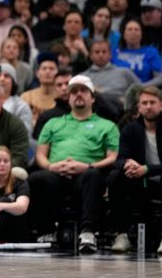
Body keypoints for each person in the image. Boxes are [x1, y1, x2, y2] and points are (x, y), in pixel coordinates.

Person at [28, 75, 119, 253]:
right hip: (57, 174)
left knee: (93, 176)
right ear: (68, 98)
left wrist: (88, 166)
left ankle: (88, 232)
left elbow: (113, 157)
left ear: (92, 98)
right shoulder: (53, 123)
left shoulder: (107, 126)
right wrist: (51, 166)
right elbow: (40, 155)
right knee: (37, 178)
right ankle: (46, 231)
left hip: (87, 175)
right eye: (74, 92)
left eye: (83, 91)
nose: (78, 95)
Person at [108, 87, 162, 255]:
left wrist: (147, 169)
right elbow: (119, 159)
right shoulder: (129, 129)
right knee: (116, 176)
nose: (149, 106)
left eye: (153, 103)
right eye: (144, 103)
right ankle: (121, 235)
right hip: (143, 184)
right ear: (138, 107)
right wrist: (128, 164)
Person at [113, 18, 162, 86]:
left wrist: (141, 87)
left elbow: (160, 79)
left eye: (136, 30)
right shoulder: (114, 51)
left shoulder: (151, 52)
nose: (133, 32)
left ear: (142, 34)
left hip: (142, 90)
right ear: (124, 34)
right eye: (129, 29)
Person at [21, 54, 59, 125]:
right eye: (44, 68)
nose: (47, 72)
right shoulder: (26, 97)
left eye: (51, 69)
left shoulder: (62, 98)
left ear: (58, 73)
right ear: (37, 73)